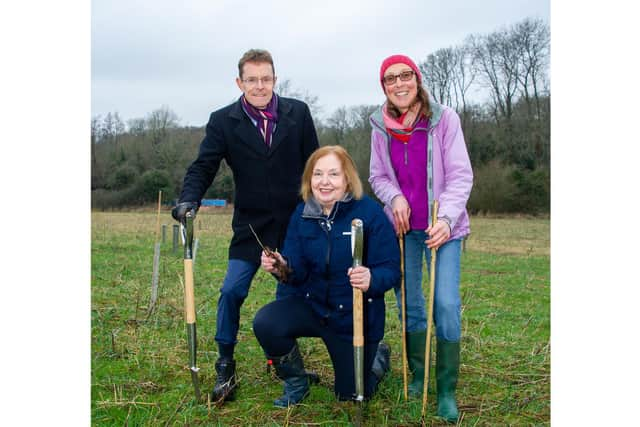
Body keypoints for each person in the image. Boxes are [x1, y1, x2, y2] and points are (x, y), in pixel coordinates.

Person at [171, 48, 319, 403]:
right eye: (251, 80)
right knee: (232, 292)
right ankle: (226, 366)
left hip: (293, 225)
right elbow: (203, 166)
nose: (259, 86)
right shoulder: (224, 121)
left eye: (265, 78)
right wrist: (189, 199)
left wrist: (322, 209)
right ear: (240, 82)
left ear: (274, 79)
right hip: (250, 228)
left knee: (290, 295)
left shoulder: (297, 113)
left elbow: (316, 163)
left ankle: (286, 365)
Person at [368, 54, 473, 422]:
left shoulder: (444, 120)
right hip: (403, 231)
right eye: (390, 78)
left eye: (405, 76)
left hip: (443, 229)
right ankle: (417, 376)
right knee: (410, 304)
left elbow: (461, 176)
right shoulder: (379, 127)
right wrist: (394, 197)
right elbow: (377, 176)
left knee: (444, 304)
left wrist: (446, 218)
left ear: (417, 79)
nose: (399, 83)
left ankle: (445, 389)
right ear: (384, 86)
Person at [252, 145, 399, 407]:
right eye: (317, 174)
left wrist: (371, 279)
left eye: (333, 174)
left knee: (350, 395)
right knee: (266, 322)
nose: (325, 181)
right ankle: (297, 383)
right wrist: (282, 266)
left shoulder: (370, 213)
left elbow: (391, 269)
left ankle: (376, 361)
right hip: (314, 306)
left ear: (347, 179)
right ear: (309, 179)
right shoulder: (303, 214)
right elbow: (297, 270)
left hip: (353, 317)